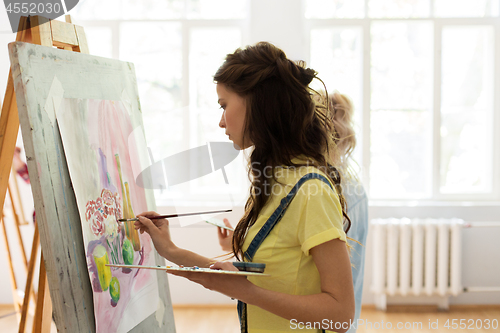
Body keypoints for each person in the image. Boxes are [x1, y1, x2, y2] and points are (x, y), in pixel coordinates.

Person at [135, 42, 355, 333]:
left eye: (225, 105)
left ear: (258, 102)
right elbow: (246, 281)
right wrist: (171, 250)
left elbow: (340, 316)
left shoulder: (309, 190)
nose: (221, 121)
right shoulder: (277, 180)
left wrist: (247, 292)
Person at [218, 92, 369, 333]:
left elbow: (339, 276)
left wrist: (245, 290)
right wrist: (237, 241)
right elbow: (294, 249)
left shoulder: (321, 190)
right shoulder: (298, 183)